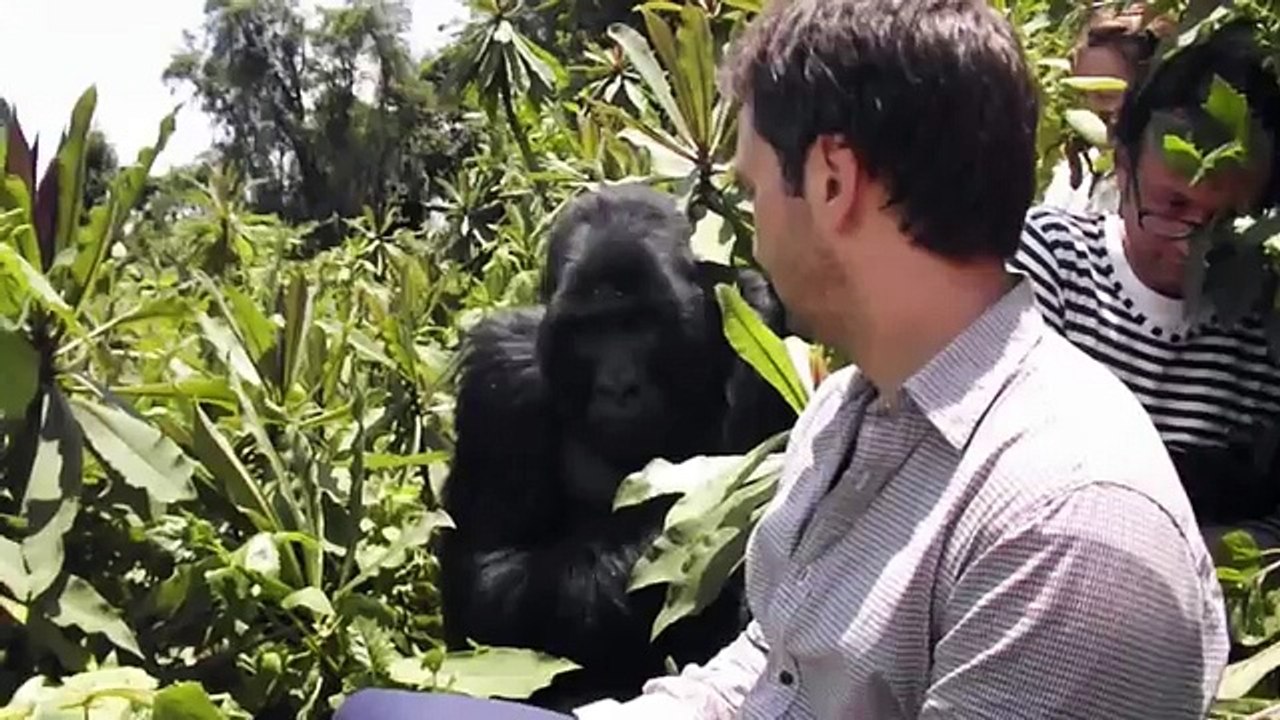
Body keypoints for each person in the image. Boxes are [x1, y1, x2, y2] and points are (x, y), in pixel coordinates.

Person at [334, 2, 1227, 718]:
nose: (747, 225)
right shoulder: (848, 415)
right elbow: (770, 667)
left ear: (831, 184)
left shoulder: (1072, 529)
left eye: (755, 185)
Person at [1012, 18, 1280, 559]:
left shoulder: (1261, 325)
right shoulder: (1050, 265)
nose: (1190, 247)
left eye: (1226, 221)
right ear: (1123, 162)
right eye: (1173, 207)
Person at [1041, 3, 1169, 216]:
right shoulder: (1073, 181)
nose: (1092, 108)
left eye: (1106, 95)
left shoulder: (1170, 191)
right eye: (1083, 93)